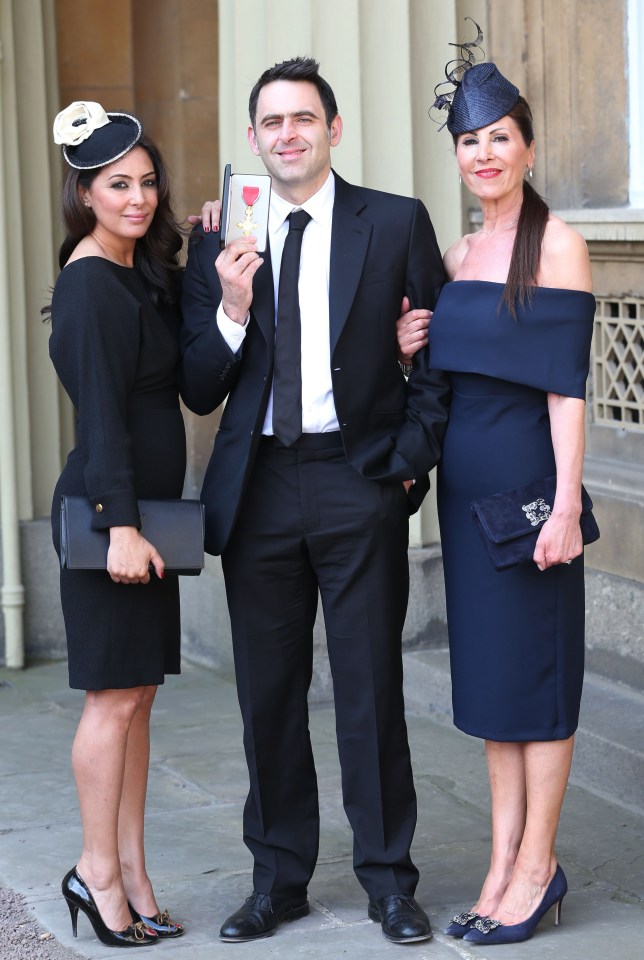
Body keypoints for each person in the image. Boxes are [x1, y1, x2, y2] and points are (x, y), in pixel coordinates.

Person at [180, 57, 450, 945]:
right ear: (254, 138)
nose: (287, 133)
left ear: (333, 130)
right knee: (269, 695)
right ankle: (279, 878)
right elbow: (198, 387)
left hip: (356, 478)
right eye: (271, 122)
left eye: (304, 118)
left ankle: (387, 881)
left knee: (371, 689)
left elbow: (435, 358)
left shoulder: (396, 221)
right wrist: (227, 302)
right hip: (259, 490)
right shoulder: (222, 239)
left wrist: (408, 466)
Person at [397, 27, 595, 946]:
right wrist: (413, 344)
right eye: (468, 142)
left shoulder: (557, 244)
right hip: (461, 497)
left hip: (527, 499)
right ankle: (502, 858)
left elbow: (566, 391)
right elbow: (446, 370)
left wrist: (564, 505)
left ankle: (538, 867)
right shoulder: (462, 253)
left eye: (498, 137)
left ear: (524, 142)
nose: (483, 154)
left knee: (538, 687)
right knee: (489, 692)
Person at [47, 101, 186, 947]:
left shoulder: (135, 270)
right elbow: (100, 416)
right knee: (110, 702)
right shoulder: (90, 280)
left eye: (145, 182)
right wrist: (120, 526)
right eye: (116, 186)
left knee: (136, 698)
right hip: (114, 522)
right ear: (86, 194)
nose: (136, 198)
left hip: (143, 523)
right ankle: (95, 870)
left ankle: (132, 869)